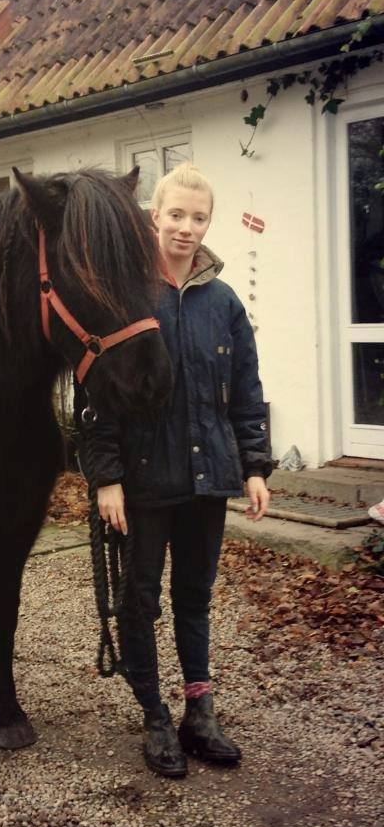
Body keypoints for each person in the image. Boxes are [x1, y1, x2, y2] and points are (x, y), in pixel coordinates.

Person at [77, 162, 271, 778]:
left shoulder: (225, 304)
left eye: (199, 217)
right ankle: (155, 717)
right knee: (140, 601)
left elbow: (246, 389)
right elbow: (100, 394)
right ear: (153, 218)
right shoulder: (128, 296)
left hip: (207, 479)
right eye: (176, 215)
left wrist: (255, 466)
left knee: (194, 596)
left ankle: (200, 711)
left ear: (208, 223)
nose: (187, 228)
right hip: (142, 482)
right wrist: (106, 476)